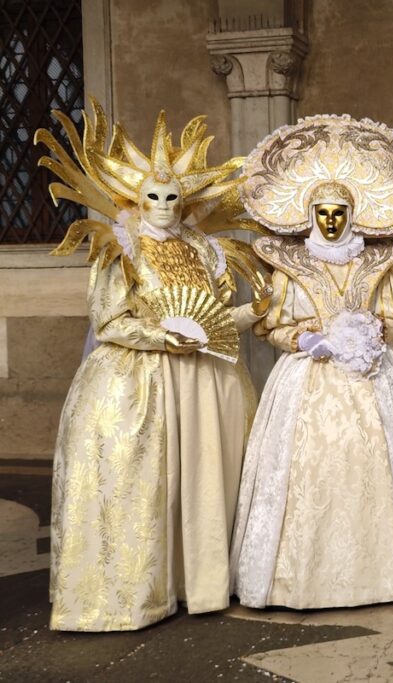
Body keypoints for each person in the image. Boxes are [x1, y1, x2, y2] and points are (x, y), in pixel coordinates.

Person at [42, 101, 268, 631]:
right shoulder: (119, 249)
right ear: (135, 199)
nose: (165, 205)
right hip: (138, 379)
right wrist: (163, 337)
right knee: (145, 482)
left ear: (185, 200)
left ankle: (201, 583)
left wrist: (252, 310)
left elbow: (213, 315)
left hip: (207, 382)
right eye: (154, 197)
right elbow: (108, 320)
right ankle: (137, 593)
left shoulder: (205, 248)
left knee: (206, 479)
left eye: (173, 197)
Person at [230, 114, 393, 608]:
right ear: (310, 216)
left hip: (374, 375)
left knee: (377, 469)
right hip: (307, 382)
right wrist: (304, 340)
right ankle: (299, 577)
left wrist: (374, 333)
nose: (331, 222)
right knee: (307, 474)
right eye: (322, 213)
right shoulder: (287, 266)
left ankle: (385, 571)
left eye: (339, 213)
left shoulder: (378, 262)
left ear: (353, 215)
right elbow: (270, 325)